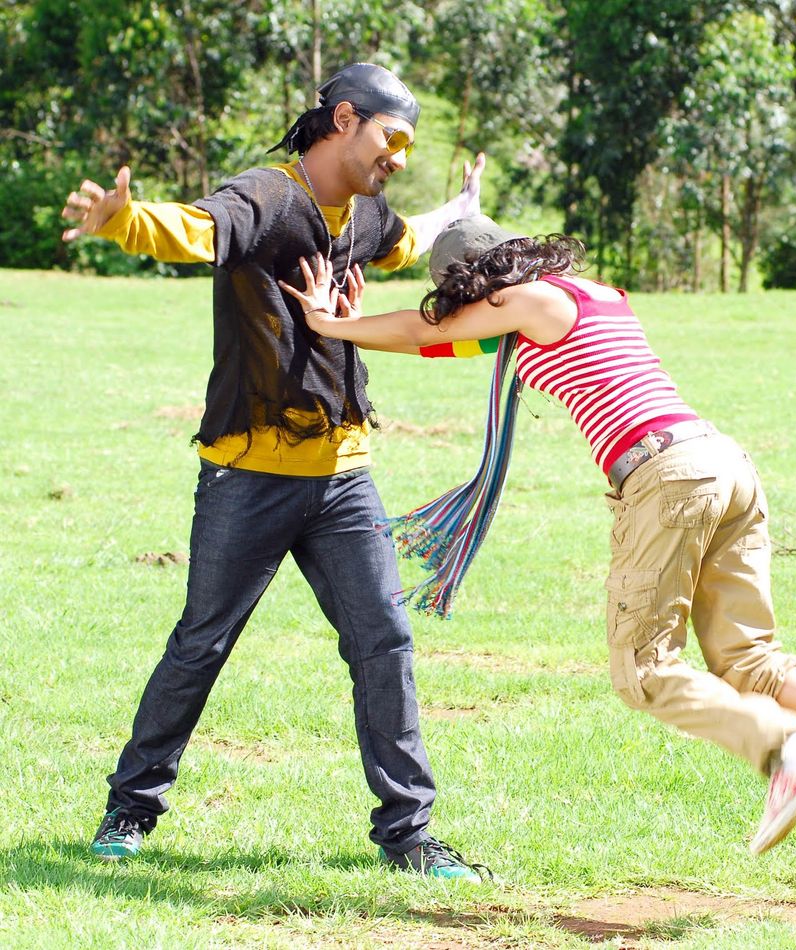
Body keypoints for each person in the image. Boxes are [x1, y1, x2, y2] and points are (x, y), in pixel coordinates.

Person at [280, 215, 796, 858]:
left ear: (475, 281)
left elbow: (422, 328)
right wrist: (352, 326)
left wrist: (327, 323)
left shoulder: (526, 302)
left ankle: (785, 752)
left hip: (668, 476)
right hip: (722, 464)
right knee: (749, 661)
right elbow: (435, 341)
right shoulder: (591, 295)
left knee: (644, 673)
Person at [59, 63, 490, 880]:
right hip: (247, 473)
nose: (399, 156)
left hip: (344, 473)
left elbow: (409, 239)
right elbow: (197, 229)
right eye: (392, 138)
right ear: (344, 119)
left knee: (384, 641)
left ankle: (409, 833)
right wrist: (125, 223)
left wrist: (462, 211)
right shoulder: (267, 196)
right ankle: (131, 808)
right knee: (202, 643)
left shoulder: (365, 212)